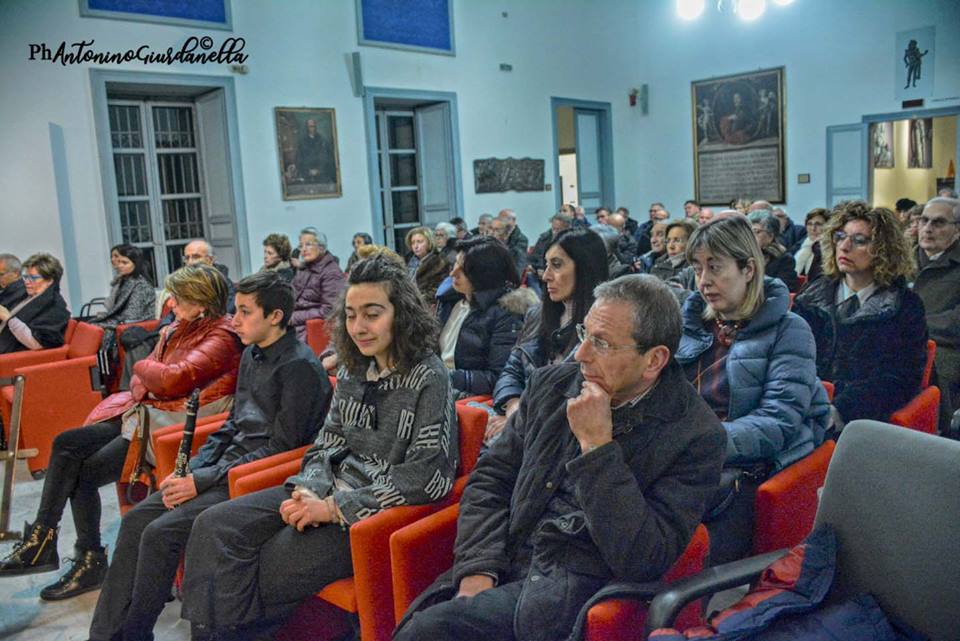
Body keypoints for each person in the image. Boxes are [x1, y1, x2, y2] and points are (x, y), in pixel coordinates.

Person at [394, 274, 726, 641]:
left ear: (654, 360)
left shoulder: (695, 435)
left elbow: (644, 558)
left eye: (601, 343)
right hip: (506, 556)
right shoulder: (550, 385)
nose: (581, 354)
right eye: (585, 334)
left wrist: (597, 449)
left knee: (428, 631)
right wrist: (478, 567)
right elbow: (491, 480)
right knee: (419, 626)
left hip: (572, 589)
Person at [181, 255, 459, 641]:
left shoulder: (429, 375)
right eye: (351, 315)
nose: (358, 327)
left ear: (402, 314)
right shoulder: (353, 368)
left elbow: (428, 476)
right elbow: (327, 442)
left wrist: (332, 509)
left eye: (372, 314)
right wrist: (310, 488)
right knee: (212, 525)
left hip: (365, 515)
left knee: (256, 565)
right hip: (323, 490)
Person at [85, 271, 331, 641]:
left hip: (256, 476)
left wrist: (201, 480)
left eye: (245, 312)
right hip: (225, 467)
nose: (235, 320)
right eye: (236, 310)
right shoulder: (252, 354)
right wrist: (191, 470)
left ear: (275, 316)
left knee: (159, 532)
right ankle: (105, 635)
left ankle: (134, 633)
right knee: (136, 520)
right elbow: (232, 424)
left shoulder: (299, 367)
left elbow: (282, 449)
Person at [0, 265, 241, 599]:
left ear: (201, 302)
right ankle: (43, 538)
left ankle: (87, 559)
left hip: (169, 426)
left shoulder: (221, 336)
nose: (170, 303)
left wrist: (143, 366)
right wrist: (150, 375)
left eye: (178, 297)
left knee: (81, 474)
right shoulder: (179, 327)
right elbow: (144, 381)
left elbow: (169, 377)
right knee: (67, 443)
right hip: (147, 411)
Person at [675, 215, 829, 564]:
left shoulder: (789, 330)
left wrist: (698, 442)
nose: (703, 281)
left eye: (715, 267)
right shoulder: (691, 323)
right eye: (697, 269)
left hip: (745, 465)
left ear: (748, 269)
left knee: (660, 533)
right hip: (691, 453)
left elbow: (778, 421)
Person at [794, 202, 927, 426]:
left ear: (884, 250)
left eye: (860, 240)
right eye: (840, 236)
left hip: (862, 417)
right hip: (804, 404)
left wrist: (841, 410)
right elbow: (791, 360)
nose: (844, 247)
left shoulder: (905, 305)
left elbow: (900, 377)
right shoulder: (810, 296)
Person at [488, 228, 609, 443]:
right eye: (546, 265)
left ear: (585, 268)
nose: (545, 276)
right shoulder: (537, 314)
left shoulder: (605, 326)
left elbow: (577, 394)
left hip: (563, 432)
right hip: (524, 417)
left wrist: (522, 418)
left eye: (557, 265)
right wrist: (513, 405)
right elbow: (512, 369)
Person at [437, 237, 537, 397]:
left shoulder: (506, 312)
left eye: (463, 269)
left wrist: (445, 377)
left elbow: (499, 377)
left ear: (483, 274)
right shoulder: (449, 300)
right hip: (444, 385)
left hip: (470, 395)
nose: (452, 273)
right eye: (455, 263)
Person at [912, 197, 960, 435]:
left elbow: (956, 322)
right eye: (924, 221)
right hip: (900, 341)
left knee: (939, 371)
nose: (928, 228)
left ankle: (942, 439)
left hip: (946, 347)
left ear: (957, 230)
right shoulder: (900, 260)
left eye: (938, 222)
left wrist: (911, 324)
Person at [89, 244, 156, 351]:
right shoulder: (126, 280)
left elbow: (133, 314)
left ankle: (101, 360)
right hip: (124, 320)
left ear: (135, 264)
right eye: (119, 262)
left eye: (125, 263)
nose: (120, 265)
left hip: (138, 324)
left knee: (95, 328)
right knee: (88, 326)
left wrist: (107, 322)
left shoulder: (142, 285)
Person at [0, 252, 69, 354]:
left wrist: (8, 318)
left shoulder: (55, 307)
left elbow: (37, 343)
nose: (26, 282)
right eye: (26, 277)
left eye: (33, 278)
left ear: (49, 280)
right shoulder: (27, 295)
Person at [290, 227, 346, 342]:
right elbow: (291, 295)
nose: (303, 249)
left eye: (308, 244)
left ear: (322, 247)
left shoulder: (331, 272)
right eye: (301, 246)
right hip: (294, 323)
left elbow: (329, 310)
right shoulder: (305, 268)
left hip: (311, 328)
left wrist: (293, 317)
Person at [749, 209, 800, 291]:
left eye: (756, 232)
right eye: (749, 232)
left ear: (770, 236)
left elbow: (784, 290)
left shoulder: (784, 259)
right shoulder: (743, 256)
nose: (750, 236)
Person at [405, 226, 450, 305]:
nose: (416, 246)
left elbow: (437, 290)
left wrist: (414, 301)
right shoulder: (408, 261)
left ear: (429, 242)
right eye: (413, 243)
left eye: (420, 242)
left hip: (426, 306)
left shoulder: (439, 262)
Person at [529, 212, 573, 279]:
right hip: (539, 274)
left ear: (567, 229)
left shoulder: (572, 242)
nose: (554, 232)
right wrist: (536, 268)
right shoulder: (544, 239)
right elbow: (532, 258)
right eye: (553, 229)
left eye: (558, 229)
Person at [293, 118, 335, 184]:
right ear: (307, 128)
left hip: (322, 174)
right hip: (307, 175)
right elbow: (299, 159)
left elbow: (326, 157)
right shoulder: (302, 142)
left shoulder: (322, 140)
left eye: (314, 126)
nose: (313, 128)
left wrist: (319, 170)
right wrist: (308, 171)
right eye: (311, 126)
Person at [794, 208, 829, 282]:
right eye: (809, 224)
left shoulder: (830, 250)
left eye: (818, 224)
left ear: (828, 226)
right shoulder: (801, 246)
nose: (813, 228)